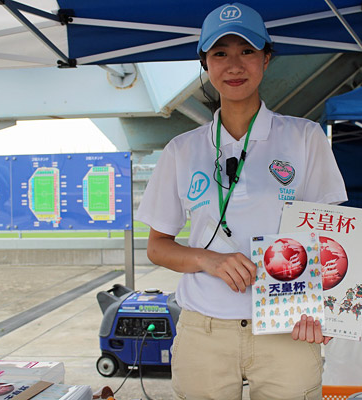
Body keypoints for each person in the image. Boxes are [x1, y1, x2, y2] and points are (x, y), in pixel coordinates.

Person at [136, 3, 347, 399]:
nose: (234, 65)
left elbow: (331, 238)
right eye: (220, 53)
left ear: (266, 59)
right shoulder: (182, 150)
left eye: (247, 51)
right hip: (205, 330)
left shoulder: (305, 137)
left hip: (287, 328)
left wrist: (328, 309)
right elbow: (157, 246)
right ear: (206, 64)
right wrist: (208, 259)